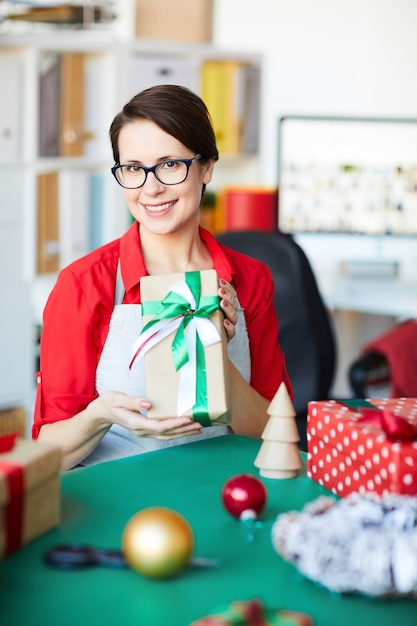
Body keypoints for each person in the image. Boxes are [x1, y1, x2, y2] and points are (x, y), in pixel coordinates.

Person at [33, 84, 292, 470]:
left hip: (221, 490)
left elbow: (275, 434)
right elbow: (46, 452)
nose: (151, 189)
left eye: (170, 164)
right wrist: (101, 414)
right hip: (120, 500)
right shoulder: (85, 285)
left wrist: (216, 361)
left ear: (206, 166)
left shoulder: (250, 280)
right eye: (134, 169)